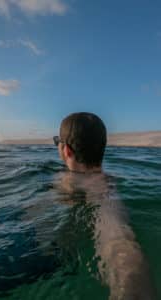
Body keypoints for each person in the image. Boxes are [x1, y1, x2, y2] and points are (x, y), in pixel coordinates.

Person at [54, 112, 156, 300]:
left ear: (66, 150)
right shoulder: (106, 183)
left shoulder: (97, 188)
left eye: (56, 142)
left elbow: (118, 241)